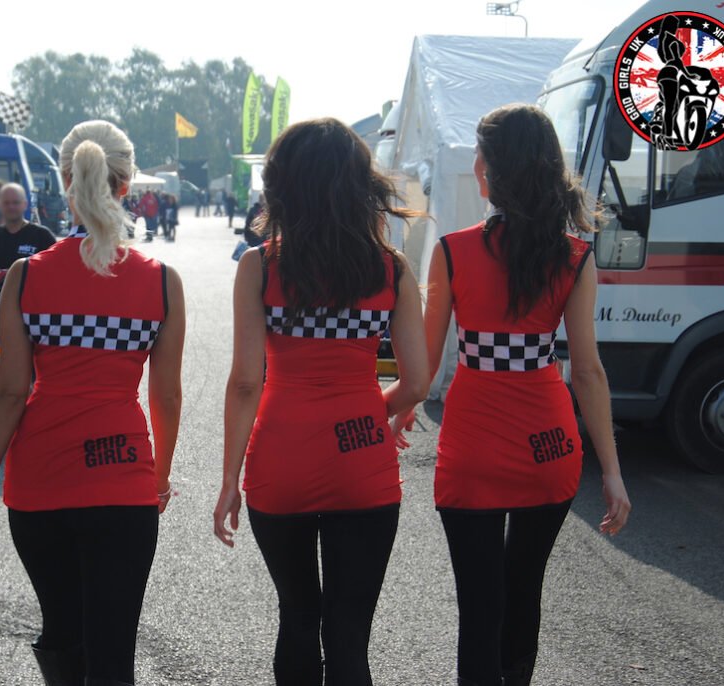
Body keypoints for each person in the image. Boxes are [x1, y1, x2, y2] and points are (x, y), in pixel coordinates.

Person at [393, 104, 632, 686]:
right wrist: (613, 471)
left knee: (480, 608)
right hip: (549, 447)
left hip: (472, 446)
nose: (474, 163)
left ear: (493, 169)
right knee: (524, 591)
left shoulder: (452, 251)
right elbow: (588, 372)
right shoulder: (574, 256)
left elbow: (421, 374)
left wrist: (391, 409)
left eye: (480, 152)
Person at [214, 118, 430, 686]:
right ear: (358, 184)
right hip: (363, 459)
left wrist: (228, 481)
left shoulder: (259, 266)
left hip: (280, 458)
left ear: (282, 184)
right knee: (350, 634)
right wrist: (374, 413)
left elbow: (244, 383)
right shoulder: (391, 269)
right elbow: (417, 384)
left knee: (297, 617)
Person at [0, 120, 185, 686]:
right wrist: (158, 477)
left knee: (64, 634)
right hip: (122, 477)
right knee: (114, 655)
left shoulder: (26, 275)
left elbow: (11, 390)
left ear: (66, 180)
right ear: (128, 182)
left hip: (42, 482)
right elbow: (164, 394)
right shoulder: (161, 281)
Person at [0, 183, 57, 294]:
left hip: (28, 305)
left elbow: (57, 270)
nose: (11, 207)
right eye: (6, 203)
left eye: (15, 203)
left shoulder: (42, 235)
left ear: (25, 204)